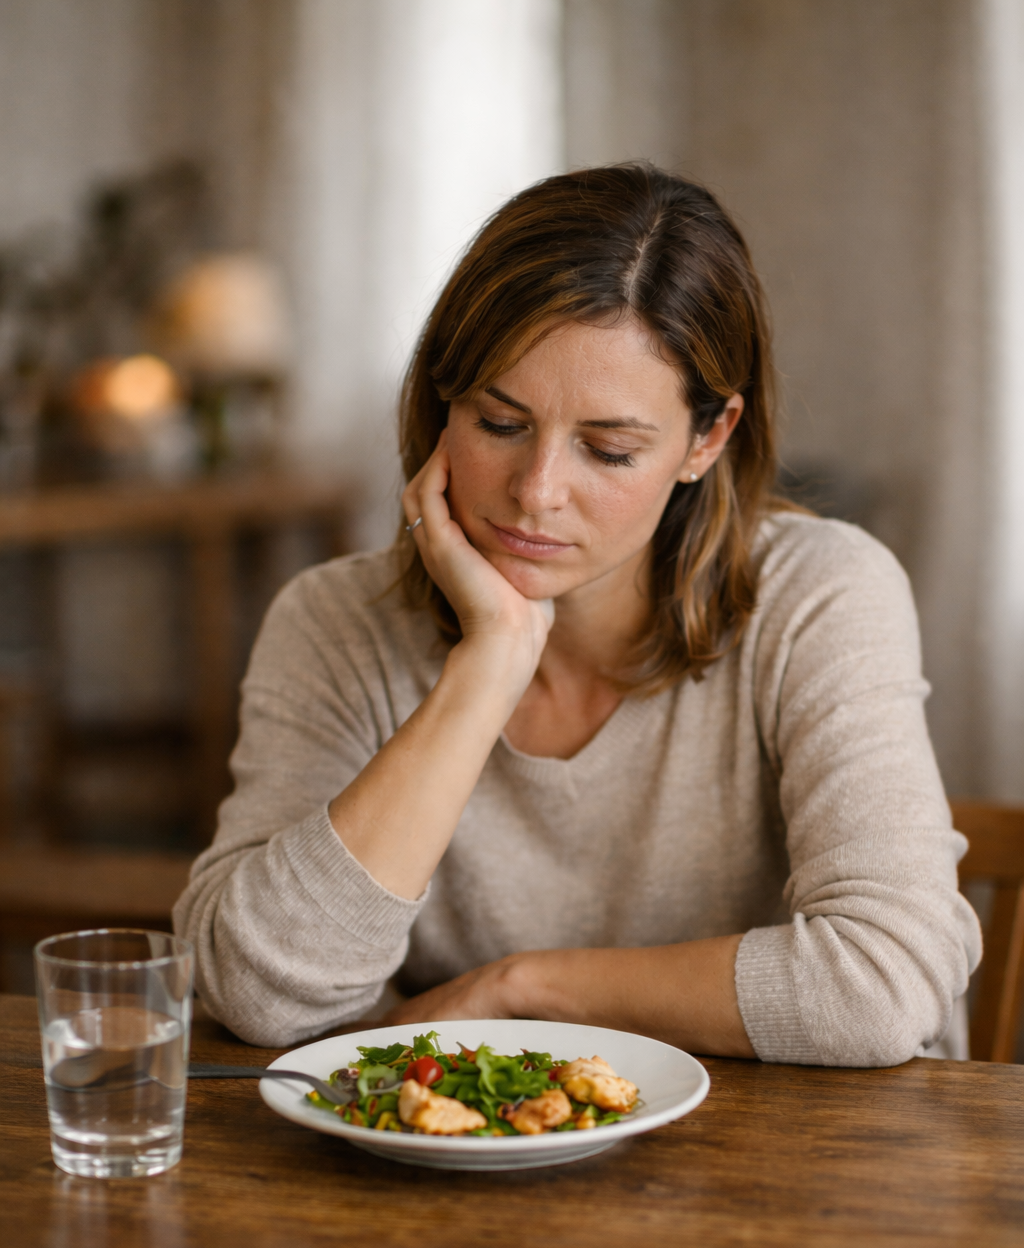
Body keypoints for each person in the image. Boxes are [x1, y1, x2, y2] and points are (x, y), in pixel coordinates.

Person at [174, 164, 981, 1064]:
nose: (536, 494)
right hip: (476, 1182)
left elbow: (878, 988)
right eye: (500, 423)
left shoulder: (821, 594)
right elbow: (255, 993)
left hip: (805, 1173)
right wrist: (485, 669)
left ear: (706, 440)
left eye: (608, 448)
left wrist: (521, 990)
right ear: (444, 400)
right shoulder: (333, 622)